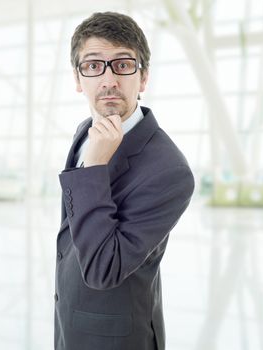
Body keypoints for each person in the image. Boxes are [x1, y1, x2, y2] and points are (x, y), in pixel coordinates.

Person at [54, 12, 194, 350]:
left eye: (122, 65)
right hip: (70, 326)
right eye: (93, 66)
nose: (108, 80)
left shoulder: (170, 171)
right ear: (78, 79)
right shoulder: (85, 132)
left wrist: (95, 168)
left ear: (143, 78)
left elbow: (104, 269)